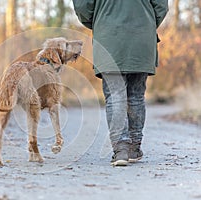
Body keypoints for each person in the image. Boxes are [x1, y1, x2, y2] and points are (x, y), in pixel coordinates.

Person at [72, 0, 169, 166]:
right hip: (142, 36)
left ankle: (121, 149)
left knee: (115, 95)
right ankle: (134, 147)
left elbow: (82, 6)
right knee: (137, 95)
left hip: (108, 37)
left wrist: (99, 21)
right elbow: (161, 6)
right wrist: (147, 22)